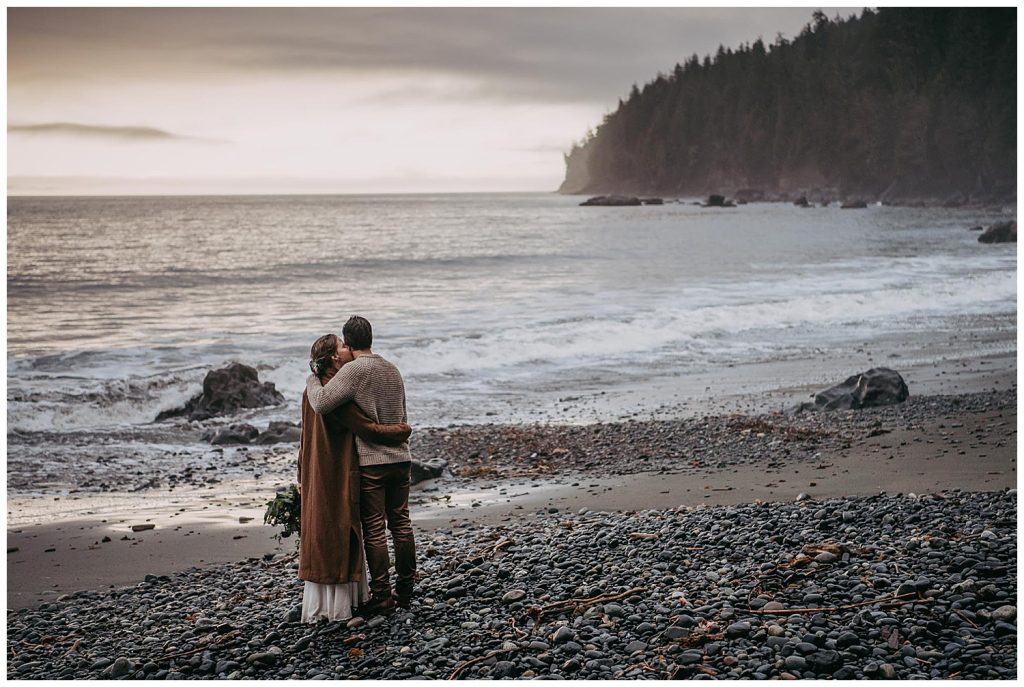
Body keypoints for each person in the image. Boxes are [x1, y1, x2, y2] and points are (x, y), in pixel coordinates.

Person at [298, 333, 411, 623]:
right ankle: (402, 591)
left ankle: (381, 594)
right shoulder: (337, 391)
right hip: (339, 471)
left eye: (346, 343)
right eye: (342, 345)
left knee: (372, 528)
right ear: (335, 356)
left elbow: (304, 438)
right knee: (397, 524)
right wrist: (403, 430)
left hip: (326, 470)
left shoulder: (318, 389)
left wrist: (301, 472)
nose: (346, 349)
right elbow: (368, 428)